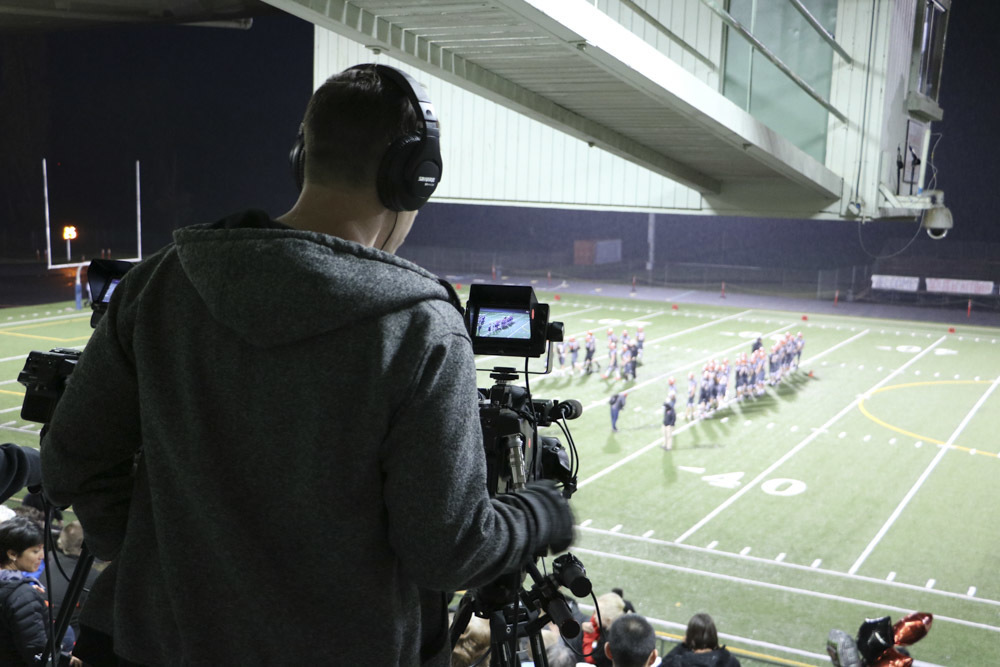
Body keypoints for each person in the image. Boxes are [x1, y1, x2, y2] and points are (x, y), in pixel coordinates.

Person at [40, 64, 574, 667]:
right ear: (414, 177)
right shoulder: (420, 327)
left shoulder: (161, 283)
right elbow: (447, 550)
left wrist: (152, 552)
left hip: (161, 645)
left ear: (304, 156)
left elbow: (71, 457)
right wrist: (540, 511)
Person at [0, 516, 76, 666]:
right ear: (12, 554)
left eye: (42, 549)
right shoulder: (22, 594)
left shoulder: (18, 590)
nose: (42, 556)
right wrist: (65, 658)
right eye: (35, 551)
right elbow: (38, 655)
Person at [661, 613, 740, 667]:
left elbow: (664, 664)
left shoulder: (680, 662)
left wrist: (682, 646)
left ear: (690, 638)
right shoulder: (730, 661)